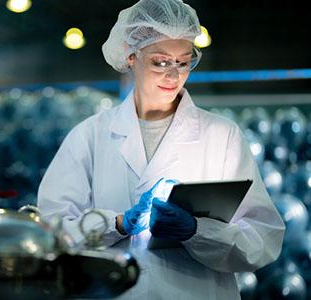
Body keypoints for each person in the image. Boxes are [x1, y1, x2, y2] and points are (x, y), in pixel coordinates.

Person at [37, 0, 285, 299]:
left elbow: (263, 239)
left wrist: (198, 232)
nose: (174, 75)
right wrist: (117, 224)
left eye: (183, 61)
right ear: (131, 55)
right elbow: (51, 231)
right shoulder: (90, 136)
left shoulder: (222, 136)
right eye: (160, 61)